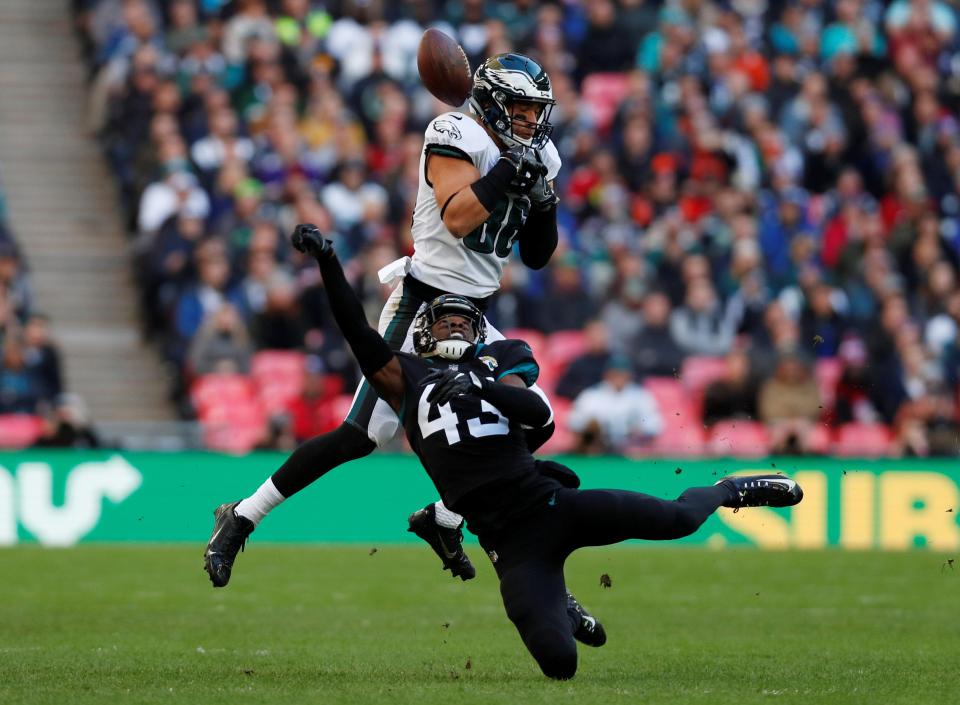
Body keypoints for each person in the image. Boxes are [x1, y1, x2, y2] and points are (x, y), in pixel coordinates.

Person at [207, 226, 804, 680]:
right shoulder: (405, 377)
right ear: (421, 328)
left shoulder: (500, 361)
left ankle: (734, 489)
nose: (454, 329)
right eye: (443, 321)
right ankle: (506, 565)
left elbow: (538, 417)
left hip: (546, 501)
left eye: (464, 322)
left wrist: (484, 385)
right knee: (560, 664)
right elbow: (355, 330)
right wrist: (329, 261)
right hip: (510, 545)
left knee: (674, 519)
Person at [205, 53, 564, 586]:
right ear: (492, 103)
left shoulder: (541, 155)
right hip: (424, 302)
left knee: (536, 420)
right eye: (521, 109)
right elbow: (460, 217)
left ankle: (444, 518)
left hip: (477, 313)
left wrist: (544, 200)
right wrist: (511, 175)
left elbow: (537, 255)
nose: (532, 122)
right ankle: (241, 516)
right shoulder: (455, 131)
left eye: (538, 111)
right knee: (360, 435)